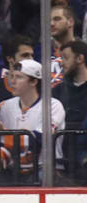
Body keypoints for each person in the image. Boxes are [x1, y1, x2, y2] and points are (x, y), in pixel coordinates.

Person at [0, 59, 66, 183]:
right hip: (13, 169)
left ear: (34, 81)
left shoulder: (52, 105)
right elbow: (0, 142)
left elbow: (39, 139)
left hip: (44, 168)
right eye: (12, 76)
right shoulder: (5, 106)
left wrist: (6, 133)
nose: (12, 81)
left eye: (19, 77)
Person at [52, 40, 87, 181]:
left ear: (80, 58)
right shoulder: (58, 91)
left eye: (66, 57)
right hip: (64, 158)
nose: (61, 62)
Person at [35, 5, 78, 87]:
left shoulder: (82, 51)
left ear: (70, 22)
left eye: (57, 19)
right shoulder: (40, 51)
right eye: (49, 20)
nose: (51, 24)